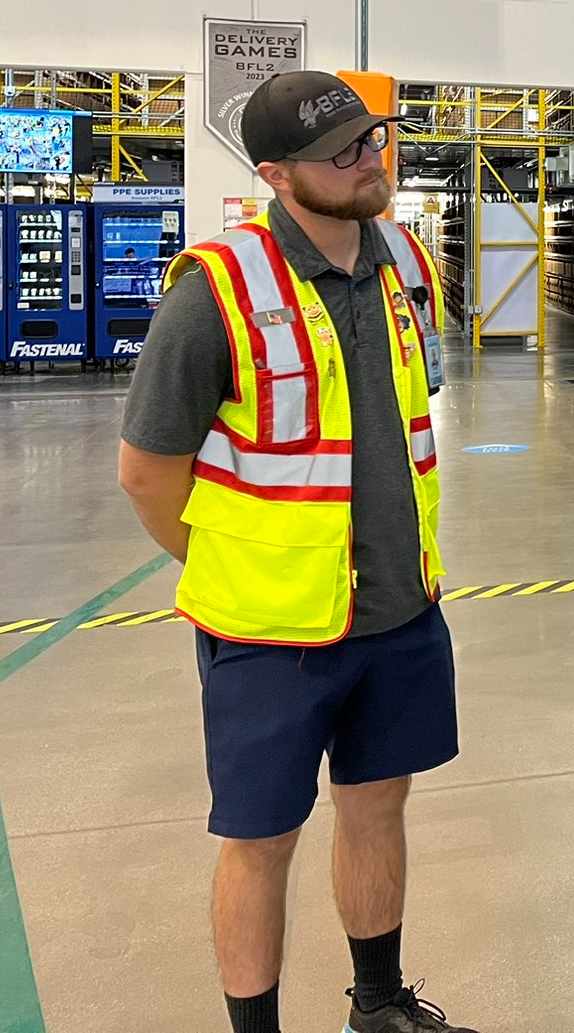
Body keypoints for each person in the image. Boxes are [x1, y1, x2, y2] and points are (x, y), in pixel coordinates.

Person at [118, 71, 470, 1033]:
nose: (372, 161)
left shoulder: (406, 266)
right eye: (344, 151)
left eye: (376, 138)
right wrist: (236, 561)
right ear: (276, 173)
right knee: (259, 839)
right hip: (270, 631)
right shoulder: (217, 292)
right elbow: (149, 473)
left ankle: (380, 1003)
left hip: (399, 611)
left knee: (376, 808)